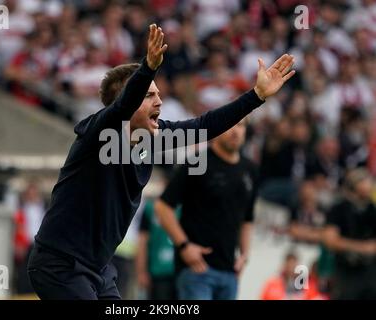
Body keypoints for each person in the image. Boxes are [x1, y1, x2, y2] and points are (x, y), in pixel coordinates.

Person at [27, 23, 295, 300]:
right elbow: (122, 108)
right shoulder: (98, 133)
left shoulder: (152, 139)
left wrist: (256, 96)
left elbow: (205, 124)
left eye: (158, 94)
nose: (160, 101)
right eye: (149, 95)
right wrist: (148, 68)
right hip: (60, 265)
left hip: (98, 270)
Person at [155, 118, 258, 300]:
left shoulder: (249, 169)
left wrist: (245, 255)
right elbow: (163, 207)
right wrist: (184, 246)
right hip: (197, 270)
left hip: (229, 271)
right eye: (230, 124)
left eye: (241, 125)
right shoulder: (198, 161)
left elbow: (247, 218)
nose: (236, 131)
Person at [323, 168, 376, 300]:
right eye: (365, 180)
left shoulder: (372, 208)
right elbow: (329, 241)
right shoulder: (339, 208)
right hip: (346, 271)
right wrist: (362, 248)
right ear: (354, 185)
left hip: (370, 271)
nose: (371, 184)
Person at [135, 198, 181, 300]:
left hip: (180, 273)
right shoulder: (150, 208)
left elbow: (142, 240)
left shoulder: (152, 206)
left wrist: (141, 271)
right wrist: (141, 271)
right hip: (159, 272)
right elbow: (142, 241)